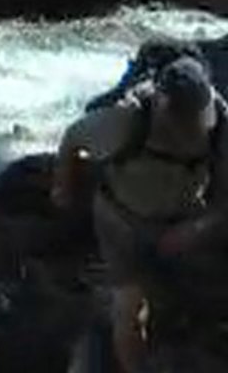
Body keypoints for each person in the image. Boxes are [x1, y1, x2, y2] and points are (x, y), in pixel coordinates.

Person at [52, 55, 228, 373]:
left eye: (195, 115)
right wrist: (63, 187)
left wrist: (196, 228)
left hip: (182, 219)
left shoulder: (220, 124)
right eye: (181, 115)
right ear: (161, 103)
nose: (189, 125)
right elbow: (73, 137)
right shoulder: (126, 121)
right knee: (128, 307)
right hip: (121, 223)